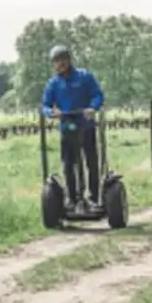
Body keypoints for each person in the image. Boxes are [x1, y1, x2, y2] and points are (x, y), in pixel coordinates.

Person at [41, 45, 105, 215]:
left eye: (62, 59)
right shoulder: (53, 84)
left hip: (86, 124)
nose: (59, 64)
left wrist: (93, 108)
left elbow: (98, 95)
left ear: (68, 60)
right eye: (56, 61)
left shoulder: (85, 77)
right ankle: (72, 199)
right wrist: (52, 112)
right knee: (69, 164)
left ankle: (93, 198)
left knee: (91, 162)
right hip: (66, 126)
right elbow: (45, 105)